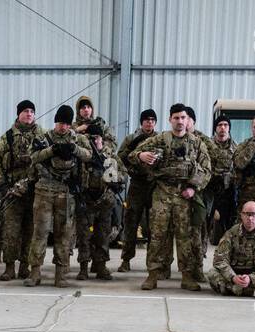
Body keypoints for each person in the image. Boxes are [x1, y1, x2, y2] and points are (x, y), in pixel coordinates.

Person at [136, 103, 211, 290]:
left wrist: (193, 188)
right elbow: (132, 155)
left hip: (184, 196)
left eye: (183, 118)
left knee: (185, 237)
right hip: (162, 193)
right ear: (170, 119)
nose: (180, 121)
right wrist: (141, 155)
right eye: (176, 118)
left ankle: (187, 276)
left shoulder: (197, 143)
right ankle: (152, 275)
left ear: (188, 120)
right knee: (157, 236)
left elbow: (207, 170)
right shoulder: (160, 139)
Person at [23, 104, 91, 287]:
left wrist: (73, 149)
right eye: (60, 123)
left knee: (64, 234)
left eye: (67, 124)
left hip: (66, 192)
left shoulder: (78, 139)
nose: (63, 127)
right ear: (55, 122)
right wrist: (51, 151)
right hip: (44, 190)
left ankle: (60, 274)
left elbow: (89, 155)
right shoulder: (43, 138)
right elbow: (33, 157)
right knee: (40, 233)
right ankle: (35, 272)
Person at [0, 99, 44, 281]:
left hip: (35, 192)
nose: (29, 114)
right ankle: (10, 267)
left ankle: (25, 267)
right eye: (25, 111)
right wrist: (1, 183)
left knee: (30, 231)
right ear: (19, 114)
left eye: (31, 111)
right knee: (11, 231)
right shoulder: (8, 137)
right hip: (12, 192)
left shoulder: (42, 135)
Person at [75, 119, 121, 280]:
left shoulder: (109, 154)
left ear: (102, 138)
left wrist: (116, 179)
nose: (95, 140)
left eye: (98, 137)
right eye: (92, 137)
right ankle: (83, 267)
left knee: (102, 235)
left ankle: (101, 265)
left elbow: (121, 172)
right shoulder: (83, 155)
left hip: (105, 201)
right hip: (86, 199)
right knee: (84, 236)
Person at [206, 200, 255, 296]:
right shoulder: (231, 233)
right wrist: (233, 277)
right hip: (235, 273)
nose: (250, 218)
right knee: (212, 273)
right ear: (241, 215)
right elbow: (220, 260)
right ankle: (252, 291)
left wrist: (251, 278)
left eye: (253, 214)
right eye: (247, 214)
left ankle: (233, 290)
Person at [116, 108, 157, 271]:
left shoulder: (160, 139)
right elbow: (120, 158)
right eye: (146, 120)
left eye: (152, 120)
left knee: (154, 226)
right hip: (137, 184)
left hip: (154, 186)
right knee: (131, 222)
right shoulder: (132, 138)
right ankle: (126, 260)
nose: (149, 122)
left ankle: (153, 262)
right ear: (141, 122)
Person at [203, 115, 238, 248]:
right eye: (220, 125)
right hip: (209, 189)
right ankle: (200, 255)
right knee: (204, 223)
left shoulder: (237, 148)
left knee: (229, 225)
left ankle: (228, 256)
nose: (223, 128)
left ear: (229, 128)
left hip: (228, 191)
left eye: (225, 125)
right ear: (215, 128)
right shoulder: (206, 145)